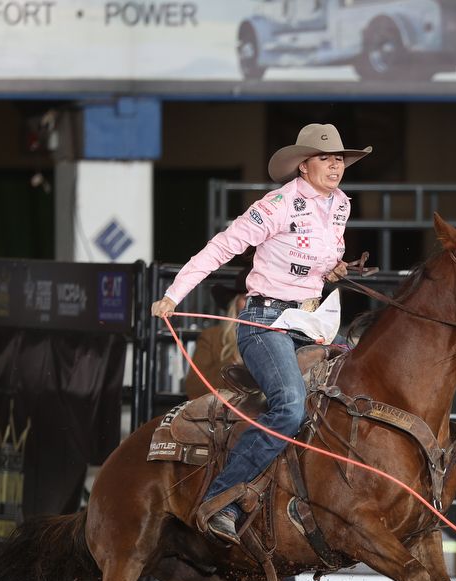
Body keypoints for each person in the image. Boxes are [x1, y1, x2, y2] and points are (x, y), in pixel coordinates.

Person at [151, 123, 372, 544]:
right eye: (324, 158)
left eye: (339, 158)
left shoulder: (341, 205)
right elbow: (220, 247)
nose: (334, 165)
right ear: (303, 165)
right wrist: (172, 295)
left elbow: (317, 259)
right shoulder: (276, 205)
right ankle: (221, 499)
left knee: (353, 395)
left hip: (312, 322)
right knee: (289, 408)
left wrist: (333, 269)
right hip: (265, 324)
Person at [182, 266, 247, 399]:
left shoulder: (282, 339)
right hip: (222, 412)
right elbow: (194, 388)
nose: (251, 305)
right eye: (246, 298)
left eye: (258, 300)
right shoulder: (212, 337)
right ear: (235, 303)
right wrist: (233, 371)